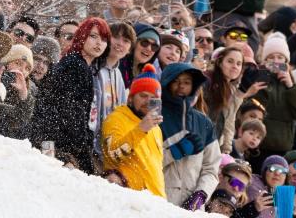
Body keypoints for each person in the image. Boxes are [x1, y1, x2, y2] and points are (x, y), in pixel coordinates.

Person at [30, 17, 110, 174]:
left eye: (104, 38)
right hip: (53, 143)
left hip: (50, 140)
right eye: (93, 36)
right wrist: (81, 151)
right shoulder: (76, 65)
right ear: (82, 36)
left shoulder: (77, 63)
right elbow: (70, 113)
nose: (99, 43)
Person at [160, 61, 221, 209]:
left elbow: (211, 168)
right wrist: (175, 151)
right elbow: (146, 163)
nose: (181, 86)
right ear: (166, 83)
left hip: (193, 209)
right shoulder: (155, 117)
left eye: (187, 82)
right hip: (160, 202)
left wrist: (201, 194)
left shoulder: (204, 123)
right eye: (176, 81)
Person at [101, 64, 165, 197]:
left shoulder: (156, 128)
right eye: (143, 96)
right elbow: (112, 155)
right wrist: (140, 130)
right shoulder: (116, 118)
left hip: (156, 204)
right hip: (129, 201)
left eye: (153, 98)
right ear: (131, 98)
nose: (148, 101)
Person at [251, 32, 296, 159]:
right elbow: (254, 107)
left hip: (283, 147)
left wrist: (290, 86)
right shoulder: (258, 78)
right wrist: (262, 76)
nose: (276, 61)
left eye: (280, 57)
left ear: (286, 61)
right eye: (271, 57)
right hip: (258, 145)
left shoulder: (292, 84)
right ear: (265, 60)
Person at [204, 46, 264, 155]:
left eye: (239, 64)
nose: (234, 67)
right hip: (201, 143)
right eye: (230, 61)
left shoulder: (231, 87)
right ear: (219, 62)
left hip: (214, 145)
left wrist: (226, 149)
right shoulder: (207, 81)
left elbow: (229, 119)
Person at [91, 22, 133, 155]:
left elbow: (120, 111)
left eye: (126, 40)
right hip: (90, 146)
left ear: (130, 49)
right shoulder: (94, 67)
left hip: (107, 149)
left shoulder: (118, 74)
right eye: (116, 37)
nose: (120, 43)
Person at [0, 44, 37, 140]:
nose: (22, 70)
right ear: (6, 64)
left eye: (27, 68)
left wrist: (24, 96)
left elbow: (19, 119)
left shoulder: (27, 93)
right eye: (18, 63)